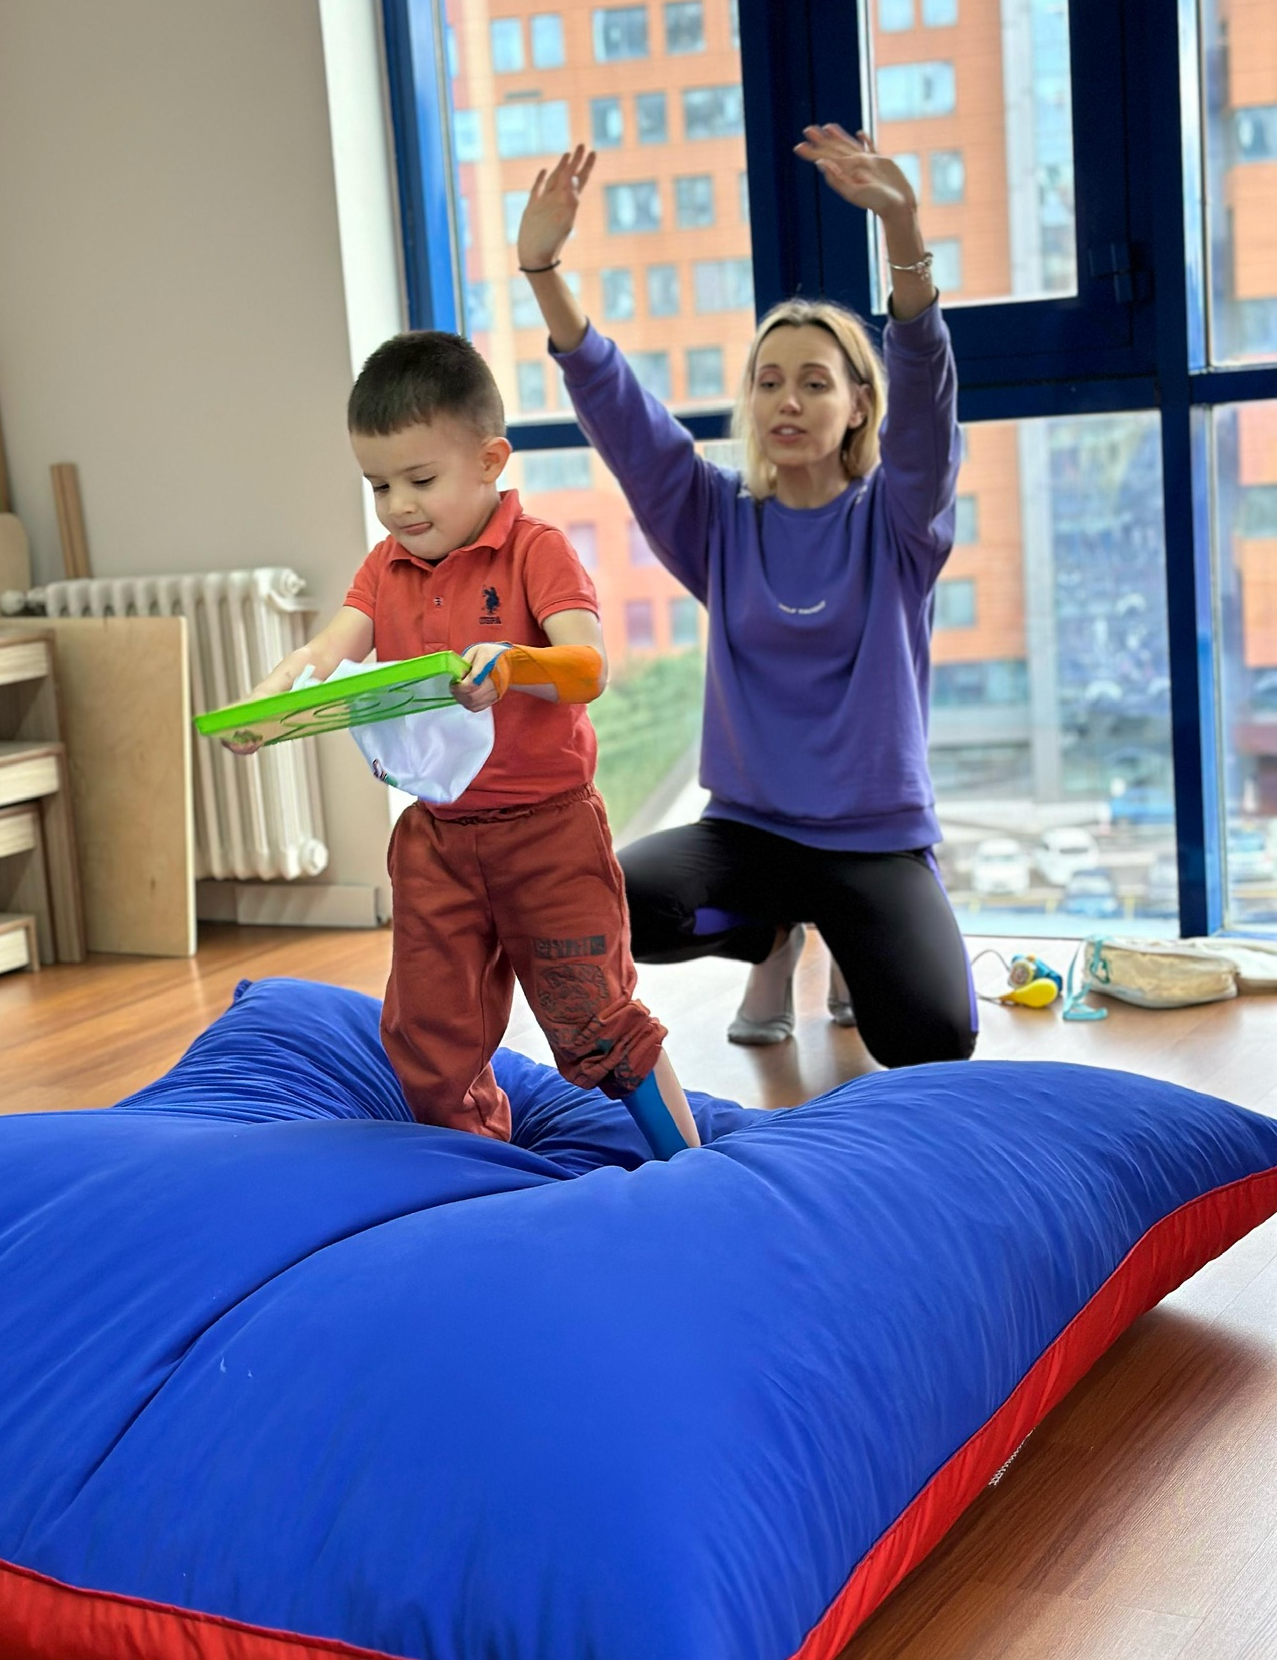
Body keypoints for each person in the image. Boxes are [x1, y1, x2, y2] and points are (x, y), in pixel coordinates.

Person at [516, 124, 977, 1069]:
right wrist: (544, 271)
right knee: (609, 902)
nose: (787, 401)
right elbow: (625, 419)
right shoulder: (716, 519)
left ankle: (845, 941)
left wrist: (902, 230)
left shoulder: (901, 522)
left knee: (935, 1037)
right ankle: (772, 938)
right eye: (769, 382)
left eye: (814, 382)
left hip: (873, 840)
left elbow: (928, 397)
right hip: (750, 834)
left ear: (859, 404)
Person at [223, 330, 700, 1161]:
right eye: (378, 485)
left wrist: (513, 664)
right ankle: (476, 1176)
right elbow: (326, 652)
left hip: (549, 835)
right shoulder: (385, 567)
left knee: (594, 1019)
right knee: (429, 1036)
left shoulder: (537, 551)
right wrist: (269, 706)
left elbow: (588, 667)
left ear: (490, 461)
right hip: (440, 841)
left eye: (420, 480)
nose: (398, 506)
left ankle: (693, 1168)